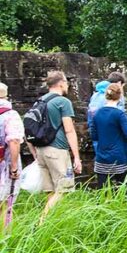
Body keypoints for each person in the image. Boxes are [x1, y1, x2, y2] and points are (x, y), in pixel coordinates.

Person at [29, 71, 81, 220]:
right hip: (57, 150)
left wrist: (35, 153)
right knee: (63, 189)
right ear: (60, 83)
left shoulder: (39, 101)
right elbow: (69, 130)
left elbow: (29, 128)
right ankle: (41, 223)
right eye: (66, 82)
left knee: (51, 192)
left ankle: (52, 225)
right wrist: (76, 157)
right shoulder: (63, 102)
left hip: (41, 150)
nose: (68, 85)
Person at [89, 83, 127, 188]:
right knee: (123, 191)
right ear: (120, 96)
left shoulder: (97, 113)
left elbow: (94, 136)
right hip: (119, 157)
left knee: (102, 191)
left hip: (102, 157)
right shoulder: (120, 114)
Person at [0, 82, 25, 232]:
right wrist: (14, 167)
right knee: (5, 203)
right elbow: (14, 141)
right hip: (5, 162)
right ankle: (4, 238)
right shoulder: (10, 115)